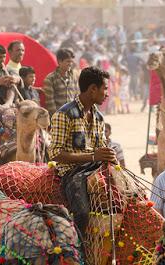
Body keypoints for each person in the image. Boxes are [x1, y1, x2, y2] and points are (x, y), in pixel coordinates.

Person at [48, 66, 116, 236]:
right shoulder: (64, 114)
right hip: (72, 172)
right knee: (83, 214)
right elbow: (55, 154)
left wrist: (108, 155)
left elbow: (100, 147)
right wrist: (93, 156)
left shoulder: (99, 117)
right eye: (105, 89)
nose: (107, 94)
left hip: (94, 168)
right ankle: (78, 251)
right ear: (93, 89)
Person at [43, 48, 79, 115]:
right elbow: (50, 103)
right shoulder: (50, 79)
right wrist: (57, 117)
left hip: (72, 116)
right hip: (58, 117)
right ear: (59, 61)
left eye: (71, 62)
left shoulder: (74, 77)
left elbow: (76, 97)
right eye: (68, 61)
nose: (70, 64)